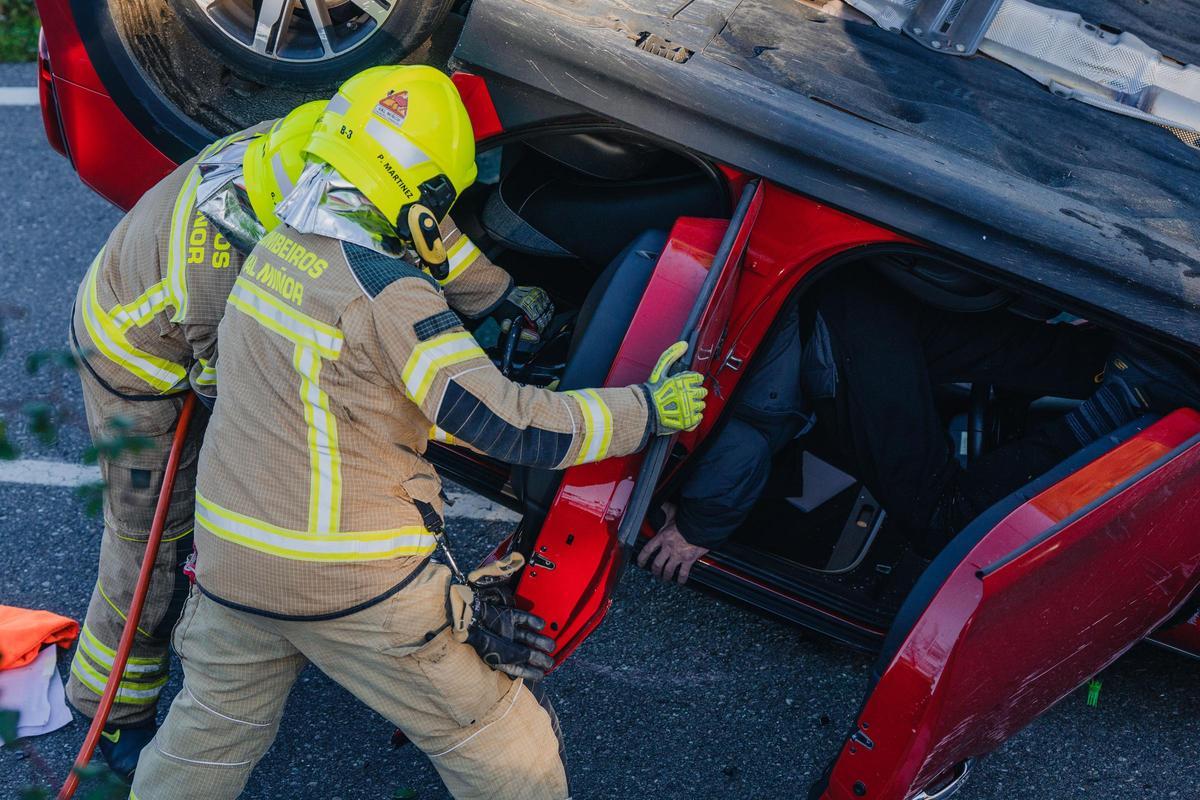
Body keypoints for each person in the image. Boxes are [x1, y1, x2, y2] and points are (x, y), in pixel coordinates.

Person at [128, 64, 707, 800]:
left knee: (207, 736)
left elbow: (398, 300)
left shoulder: (274, 249)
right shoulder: (389, 299)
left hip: (233, 565)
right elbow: (505, 421)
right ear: (425, 198)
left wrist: (493, 294)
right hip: (350, 582)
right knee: (503, 744)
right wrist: (646, 411)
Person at [65, 100, 327, 779]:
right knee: (149, 539)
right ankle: (111, 717)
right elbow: (234, 396)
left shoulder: (297, 146)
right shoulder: (214, 268)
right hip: (134, 366)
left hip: (162, 306)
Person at [639, 268, 1200, 583]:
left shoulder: (635, 411)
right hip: (844, 289)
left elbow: (746, 429)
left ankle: (1122, 404)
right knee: (1031, 354)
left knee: (941, 518)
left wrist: (697, 528)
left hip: (830, 350)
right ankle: (1138, 356)